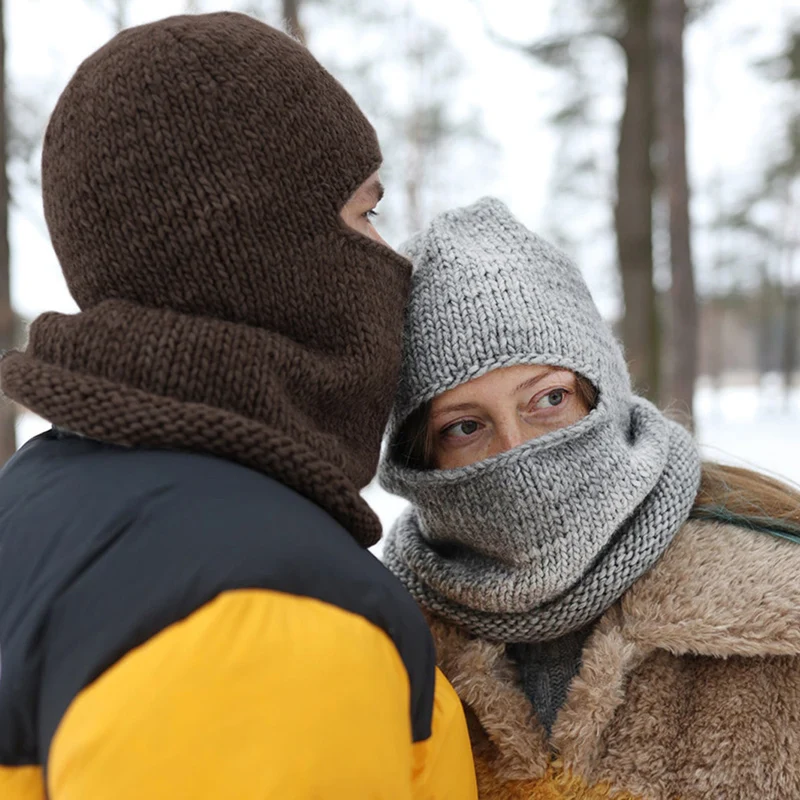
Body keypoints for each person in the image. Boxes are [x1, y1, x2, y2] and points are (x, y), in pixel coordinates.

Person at [0, 14, 477, 800]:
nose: (392, 262)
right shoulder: (264, 609)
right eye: (366, 215)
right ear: (258, 250)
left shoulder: (49, 494)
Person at [381, 196, 800, 800]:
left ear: (600, 390)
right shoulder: (392, 656)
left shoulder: (777, 618)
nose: (516, 450)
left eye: (548, 399)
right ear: (423, 460)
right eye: (465, 428)